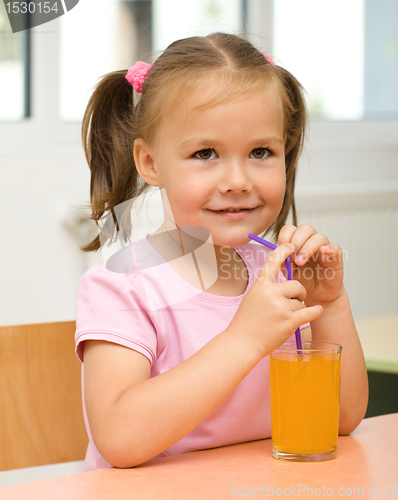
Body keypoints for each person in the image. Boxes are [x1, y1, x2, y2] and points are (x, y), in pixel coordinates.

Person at [75, 32, 368, 471]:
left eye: (261, 152)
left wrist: (330, 303)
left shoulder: (282, 276)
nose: (238, 180)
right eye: (206, 152)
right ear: (151, 163)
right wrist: (245, 339)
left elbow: (343, 420)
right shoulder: (123, 287)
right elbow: (119, 439)